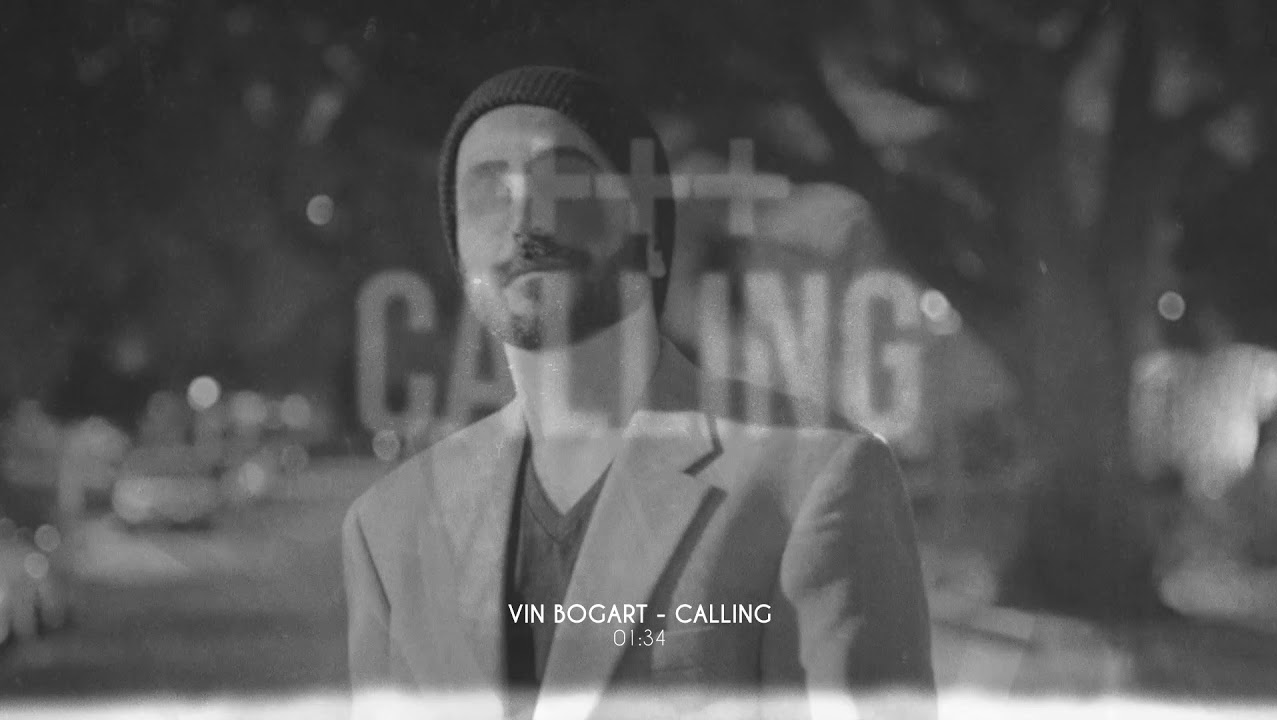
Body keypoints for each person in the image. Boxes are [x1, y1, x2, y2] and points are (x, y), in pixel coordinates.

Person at [342, 65, 935, 719]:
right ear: (459, 254)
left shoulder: (815, 477)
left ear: (650, 233)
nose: (524, 220)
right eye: (486, 191)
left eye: (563, 181)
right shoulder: (387, 528)